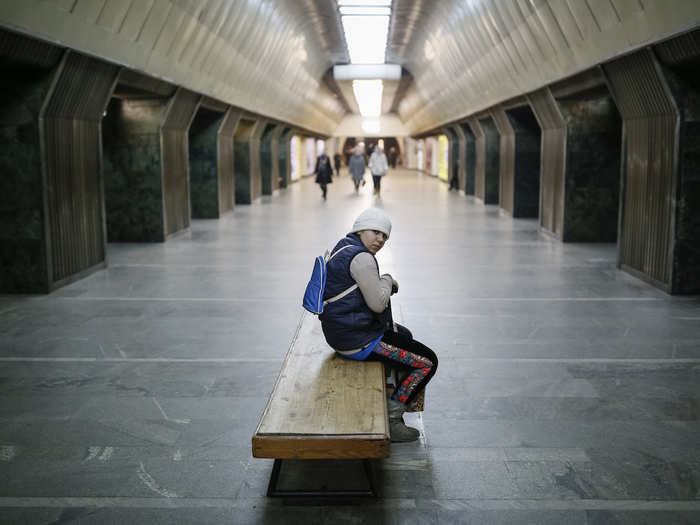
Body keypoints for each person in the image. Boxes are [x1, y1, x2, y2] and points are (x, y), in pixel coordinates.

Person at [318, 208, 438, 442]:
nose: (380, 240)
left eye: (385, 236)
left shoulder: (344, 246)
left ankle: (390, 397)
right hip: (356, 340)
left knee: (404, 335)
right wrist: (387, 279)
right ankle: (393, 418)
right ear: (360, 229)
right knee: (426, 362)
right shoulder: (362, 259)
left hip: (341, 331)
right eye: (376, 232)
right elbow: (378, 304)